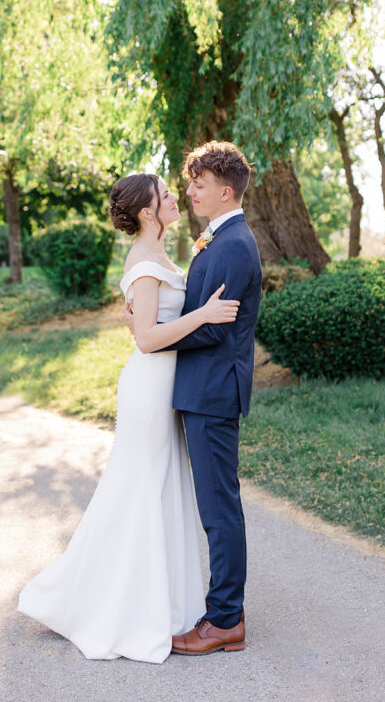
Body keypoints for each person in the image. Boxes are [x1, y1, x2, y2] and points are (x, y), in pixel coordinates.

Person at [17, 172, 240, 664]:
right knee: (139, 487)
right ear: (146, 211)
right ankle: (106, 602)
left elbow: (149, 323)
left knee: (162, 487)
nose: (176, 198)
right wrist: (203, 315)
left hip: (168, 385)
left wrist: (164, 319)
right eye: (166, 195)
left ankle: (161, 600)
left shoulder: (159, 254)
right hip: (148, 387)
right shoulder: (142, 261)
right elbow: (147, 339)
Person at [128, 141, 263, 657]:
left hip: (212, 392)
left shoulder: (232, 245)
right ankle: (224, 610)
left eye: (198, 184)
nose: (189, 192)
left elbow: (212, 328)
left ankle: (225, 619)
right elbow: (198, 312)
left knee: (218, 507)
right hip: (201, 388)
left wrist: (150, 334)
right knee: (213, 503)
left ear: (225, 191)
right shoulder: (219, 237)